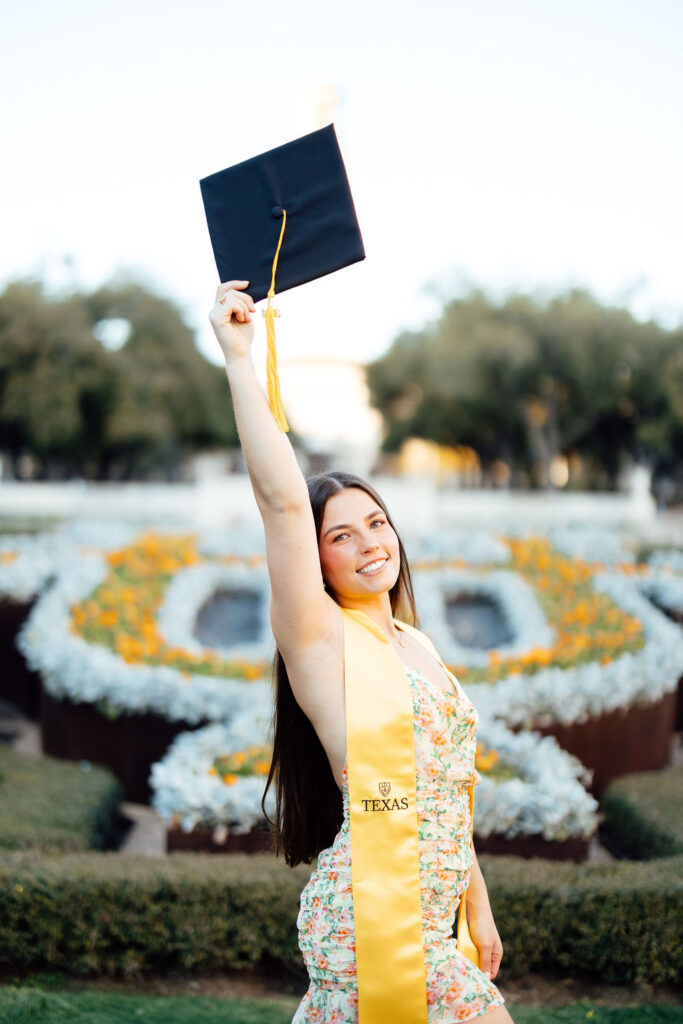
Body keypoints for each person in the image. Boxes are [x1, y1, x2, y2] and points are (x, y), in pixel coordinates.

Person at [209, 281, 514, 1023]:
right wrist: (238, 357)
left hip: (429, 921)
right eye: (339, 535)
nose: (368, 543)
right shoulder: (318, 639)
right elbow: (281, 500)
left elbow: (444, 789)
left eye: (375, 524)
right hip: (372, 917)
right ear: (315, 561)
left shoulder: (416, 645)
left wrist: (478, 907)